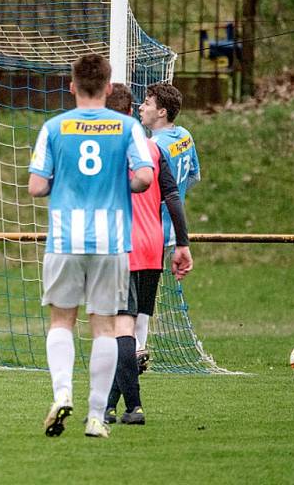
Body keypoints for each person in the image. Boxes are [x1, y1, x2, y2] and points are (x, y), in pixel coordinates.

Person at [29, 54, 154, 439]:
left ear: (71, 86)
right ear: (109, 87)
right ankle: (97, 415)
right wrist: (121, 185)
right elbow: (145, 177)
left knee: (61, 321)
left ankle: (62, 391)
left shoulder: (54, 127)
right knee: (103, 327)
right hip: (111, 239)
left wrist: (60, 184)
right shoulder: (128, 126)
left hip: (66, 237)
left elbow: (36, 186)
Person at [104, 83, 193, 425]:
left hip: (121, 247)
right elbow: (172, 197)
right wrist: (182, 244)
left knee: (121, 331)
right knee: (134, 331)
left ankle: (133, 407)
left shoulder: (107, 149)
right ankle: (111, 407)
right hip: (153, 246)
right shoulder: (154, 150)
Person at [137, 84, 201, 371]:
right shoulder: (184, 136)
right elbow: (193, 177)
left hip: (149, 226)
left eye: (147, 103)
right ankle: (137, 347)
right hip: (172, 226)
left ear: (161, 112)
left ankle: (135, 348)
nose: (141, 107)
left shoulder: (153, 147)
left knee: (134, 290)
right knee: (145, 289)